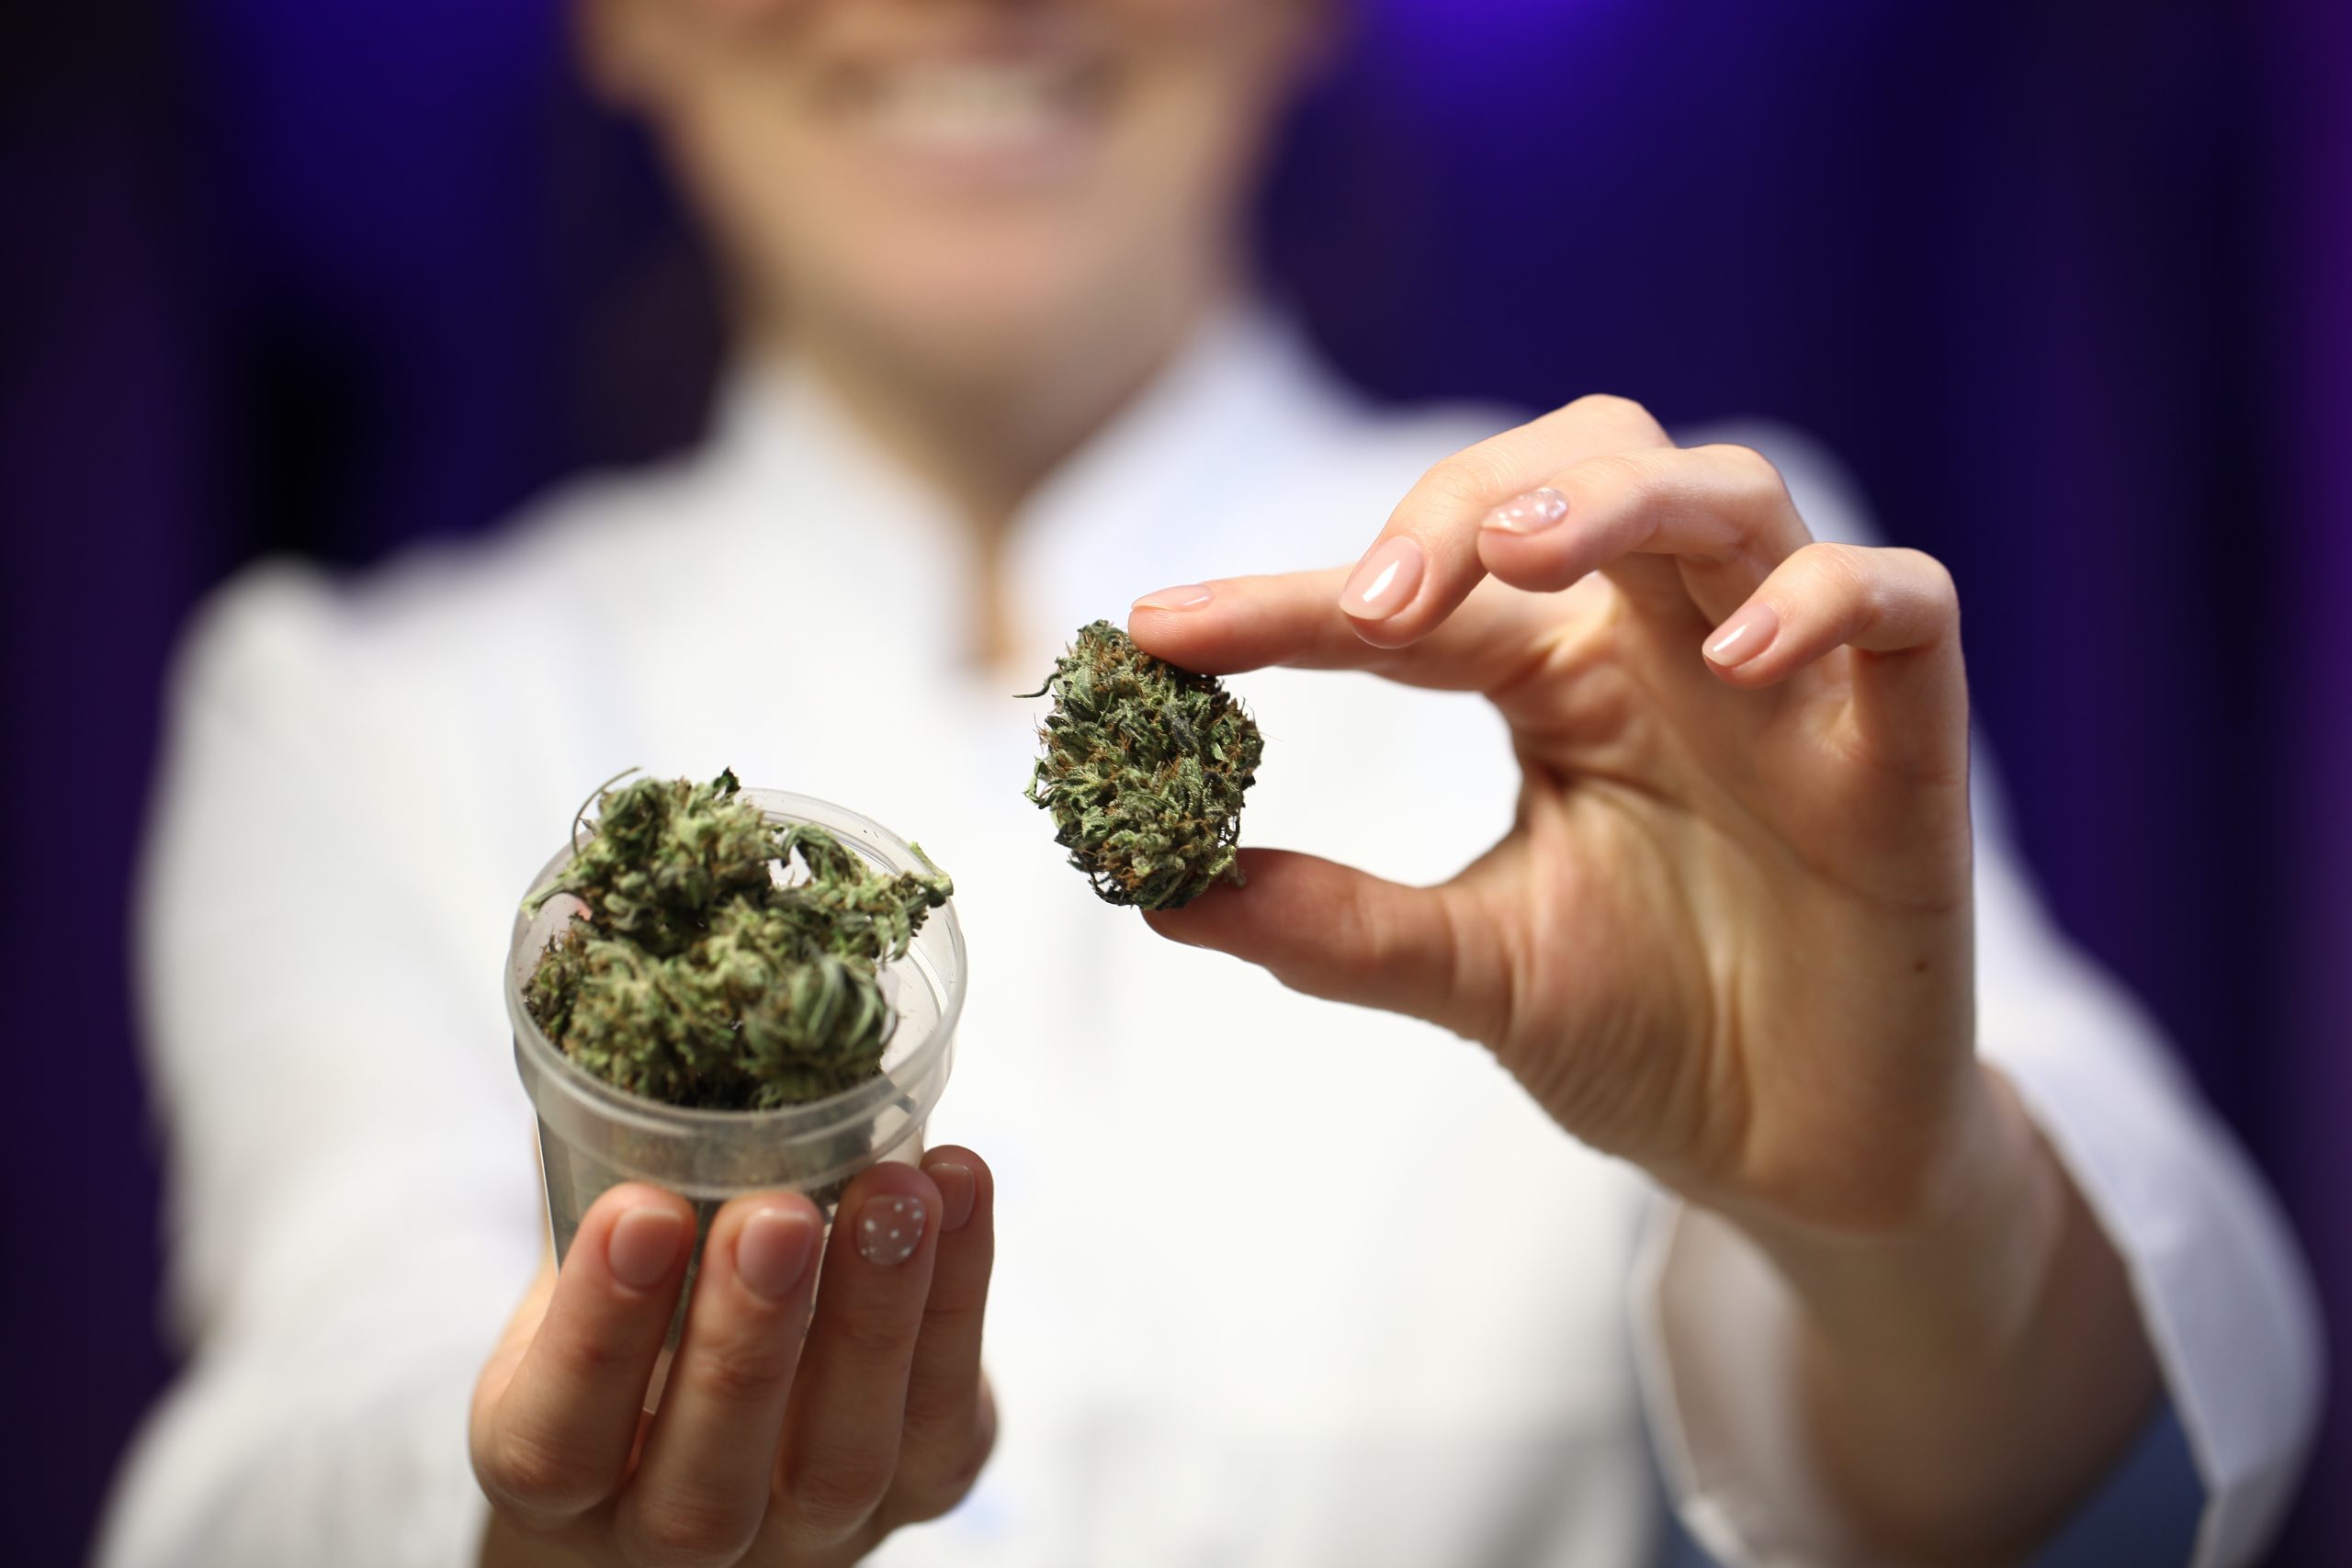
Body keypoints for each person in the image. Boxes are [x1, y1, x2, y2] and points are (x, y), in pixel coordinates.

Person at [99, 1, 2320, 1565]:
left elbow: (2122, 1453)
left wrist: (1891, 1200)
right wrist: (526, 1502)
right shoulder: (352, 706)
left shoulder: (1667, 612)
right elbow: (294, 1429)